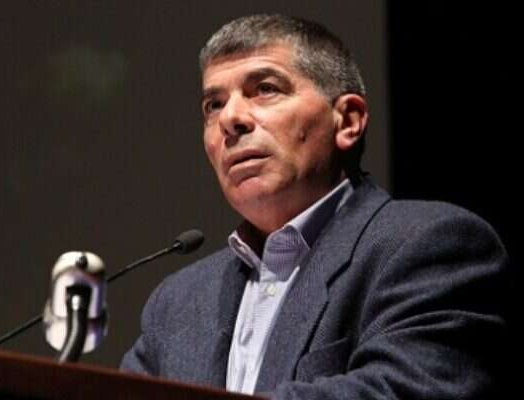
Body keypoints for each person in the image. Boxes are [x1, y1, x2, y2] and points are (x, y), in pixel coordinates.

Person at [121, 14, 509, 399]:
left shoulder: (429, 246)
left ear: (348, 122)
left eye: (265, 89)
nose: (230, 119)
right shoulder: (177, 301)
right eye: (213, 105)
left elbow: (400, 390)